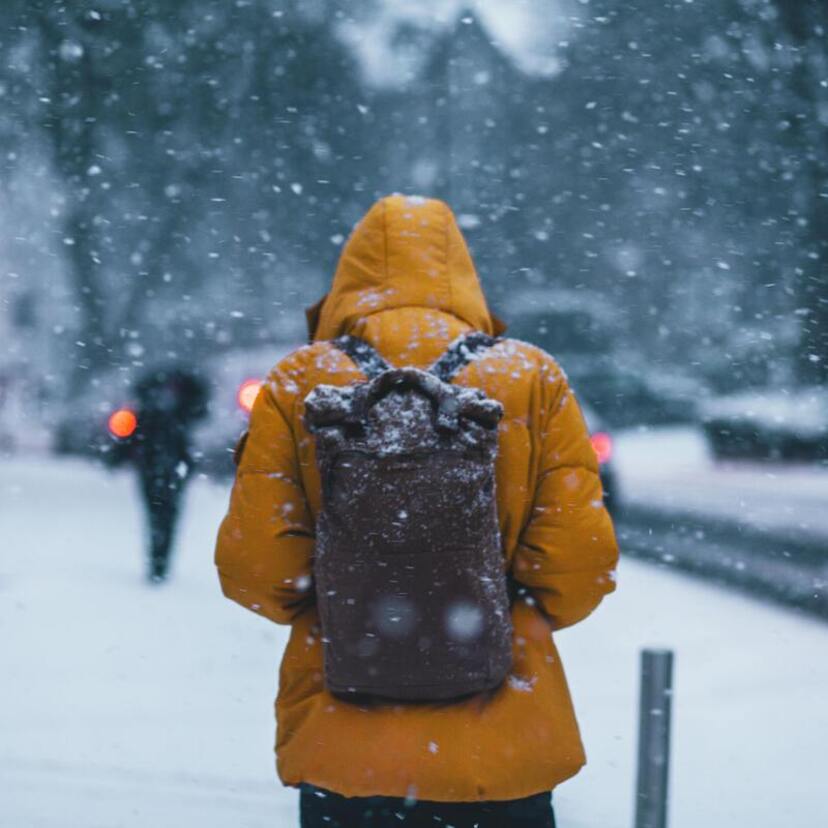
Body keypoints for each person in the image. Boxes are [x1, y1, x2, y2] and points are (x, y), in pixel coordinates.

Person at [215, 194, 619, 827]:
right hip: (503, 753)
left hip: (343, 756)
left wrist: (352, 603)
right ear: (462, 275)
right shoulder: (530, 377)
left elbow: (255, 569)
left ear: (347, 280)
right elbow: (580, 565)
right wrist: (491, 611)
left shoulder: (299, 383)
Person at [113, 365, 208, 582]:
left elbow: (130, 438)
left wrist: (119, 457)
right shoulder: (179, 411)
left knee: (158, 516)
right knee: (165, 516)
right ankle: (160, 562)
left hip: (157, 468)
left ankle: (158, 562)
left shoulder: (154, 410)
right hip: (167, 469)